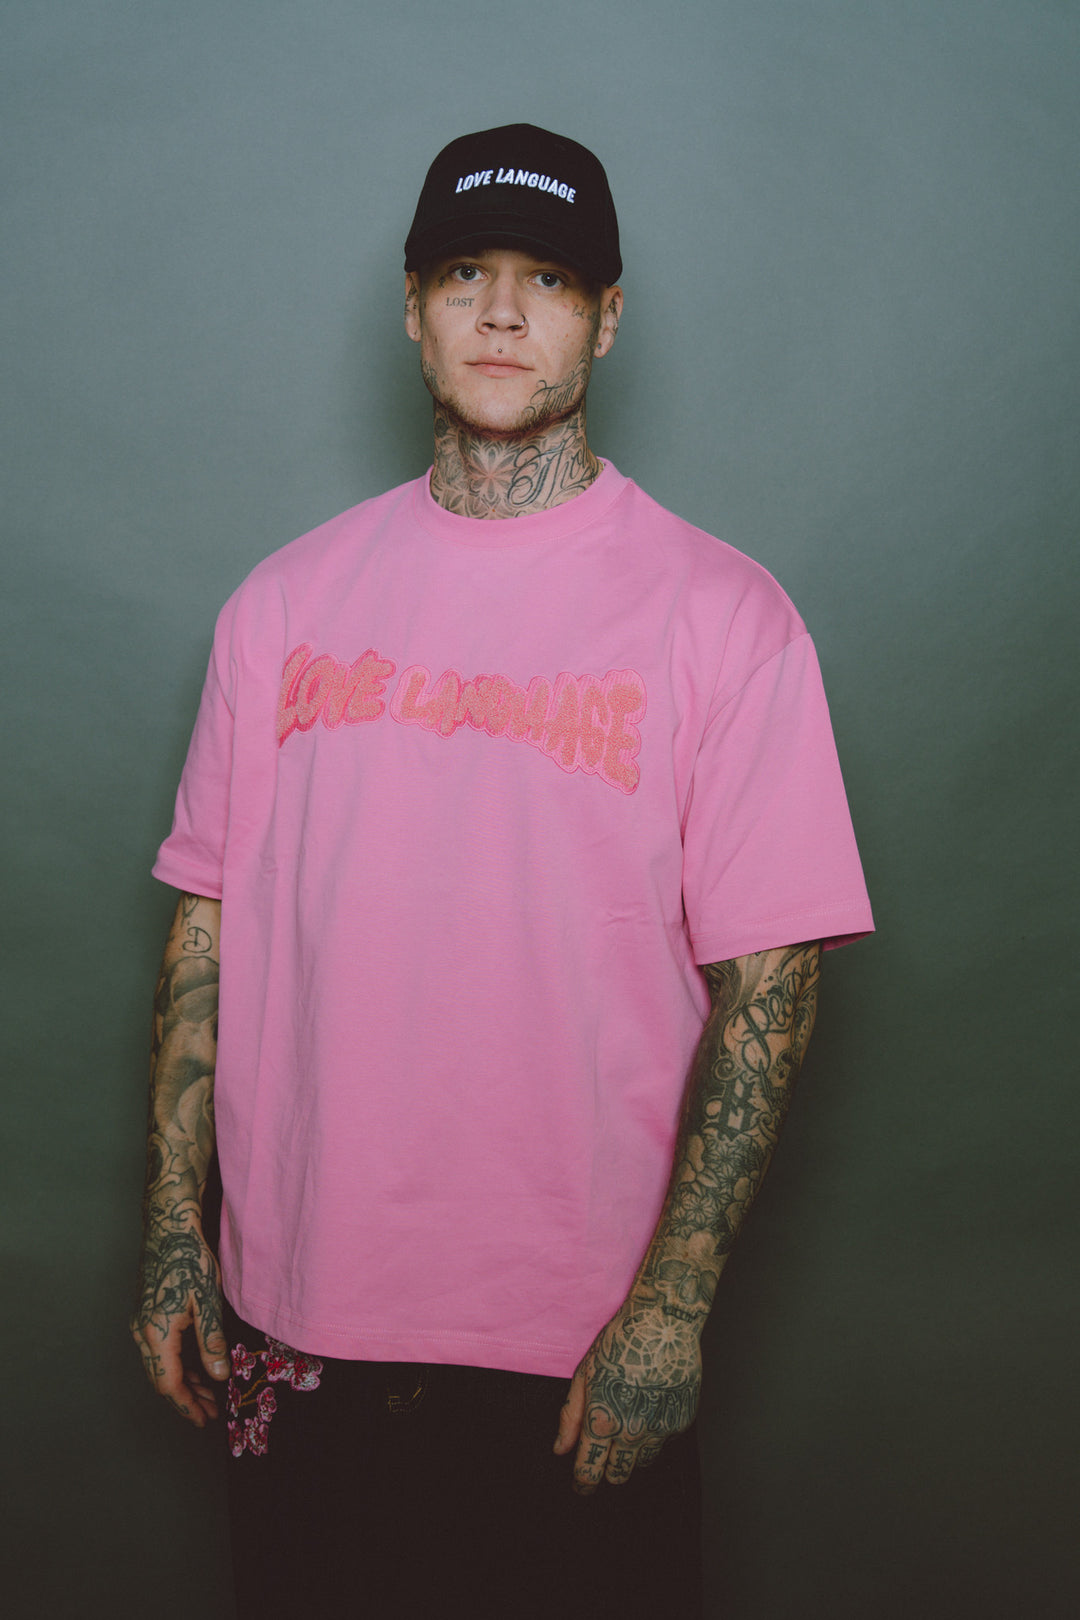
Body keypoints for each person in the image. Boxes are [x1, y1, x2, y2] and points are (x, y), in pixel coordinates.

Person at [132, 124, 873, 1619]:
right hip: (297, 1316)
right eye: (465, 272)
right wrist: (169, 1224)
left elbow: (773, 985)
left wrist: (671, 1308)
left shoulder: (728, 619)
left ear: (608, 317)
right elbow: (205, 924)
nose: (502, 312)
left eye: (550, 279)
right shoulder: (279, 605)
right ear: (412, 308)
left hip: (581, 1345)